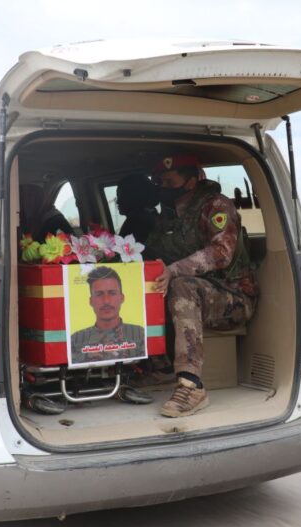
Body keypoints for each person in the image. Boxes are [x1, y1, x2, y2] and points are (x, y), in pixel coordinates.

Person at [146, 155, 257, 417]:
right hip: (200, 292)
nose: (162, 186)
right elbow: (153, 251)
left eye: (169, 181)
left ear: (191, 182)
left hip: (233, 297)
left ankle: (191, 385)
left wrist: (173, 270)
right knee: (152, 282)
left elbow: (221, 252)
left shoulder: (216, 207)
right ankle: (156, 367)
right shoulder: (170, 215)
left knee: (181, 285)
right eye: (159, 181)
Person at [70, 266, 146, 364]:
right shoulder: (75, 340)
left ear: (122, 298)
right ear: (91, 301)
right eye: (99, 294)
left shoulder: (141, 334)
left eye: (112, 293)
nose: (106, 301)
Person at [116, 173, 159, 244]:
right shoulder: (150, 216)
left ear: (134, 197)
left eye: (121, 197)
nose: (117, 202)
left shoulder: (138, 222)